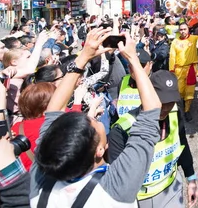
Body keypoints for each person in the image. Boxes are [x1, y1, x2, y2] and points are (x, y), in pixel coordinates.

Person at [30, 29, 163, 207]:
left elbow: (53, 110)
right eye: (92, 122)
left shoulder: (42, 177)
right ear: (100, 150)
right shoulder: (116, 187)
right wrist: (133, 59)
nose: (91, 118)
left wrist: (83, 56)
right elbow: (152, 111)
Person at [109, 70, 198, 207]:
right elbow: (116, 179)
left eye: (170, 101)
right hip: (139, 199)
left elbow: (182, 145)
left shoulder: (174, 113)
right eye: (161, 100)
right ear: (147, 95)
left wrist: (191, 178)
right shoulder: (121, 130)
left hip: (172, 189)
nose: (166, 107)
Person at [169, 22, 198, 121]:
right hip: (178, 69)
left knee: (189, 90)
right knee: (179, 90)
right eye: (181, 29)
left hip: (191, 68)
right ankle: (180, 106)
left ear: (188, 29)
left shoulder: (195, 39)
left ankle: (187, 110)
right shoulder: (175, 42)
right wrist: (171, 70)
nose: (182, 31)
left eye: (184, 29)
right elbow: (172, 56)